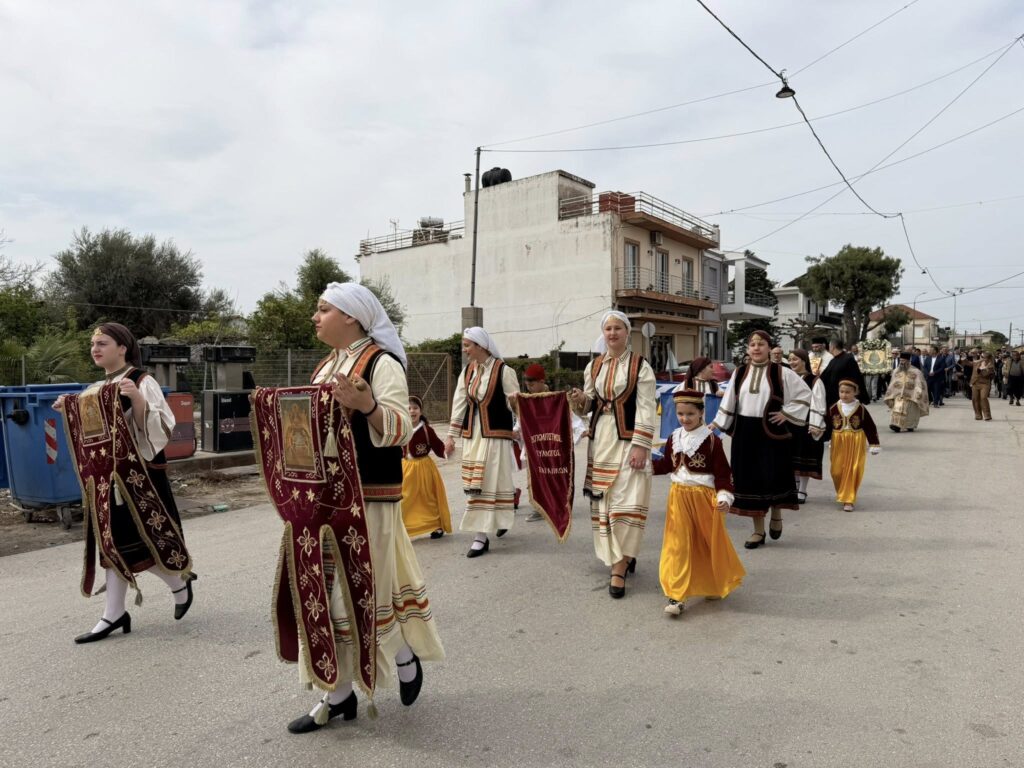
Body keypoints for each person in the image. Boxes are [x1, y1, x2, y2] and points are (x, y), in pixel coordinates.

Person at [288, 282, 444, 734]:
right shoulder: (325, 366)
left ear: (352, 316)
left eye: (323, 310)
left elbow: (400, 429)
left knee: (355, 595)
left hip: (367, 498)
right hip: (321, 499)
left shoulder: (382, 363)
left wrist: (368, 404)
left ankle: (400, 655)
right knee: (322, 592)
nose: (315, 318)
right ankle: (337, 695)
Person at [55, 323, 196, 644]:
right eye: (93, 344)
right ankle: (117, 611)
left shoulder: (140, 381)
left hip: (138, 478)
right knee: (112, 543)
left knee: (138, 540)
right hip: (106, 481)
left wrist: (140, 402)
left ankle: (172, 586)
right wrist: (70, 408)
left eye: (103, 343)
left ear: (123, 348)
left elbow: (163, 429)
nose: (95, 348)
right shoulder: (94, 389)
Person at [568, 311, 656, 598]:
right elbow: (588, 407)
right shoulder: (594, 367)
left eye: (618, 328)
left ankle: (619, 566)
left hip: (630, 441)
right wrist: (580, 401)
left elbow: (645, 407)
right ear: (603, 333)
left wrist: (642, 445)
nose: (612, 333)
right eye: (608, 328)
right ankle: (621, 555)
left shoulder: (640, 367)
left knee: (627, 501)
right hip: (602, 440)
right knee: (605, 501)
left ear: (627, 332)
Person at [712, 330, 811, 549]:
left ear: (769, 348)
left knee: (773, 476)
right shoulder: (739, 372)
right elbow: (729, 402)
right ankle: (758, 531)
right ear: (748, 349)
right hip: (744, 433)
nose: (756, 348)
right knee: (749, 481)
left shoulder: (781, 372)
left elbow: (805, 394)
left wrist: (786, 413)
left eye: (761, 344)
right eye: (752, 344)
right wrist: (716, 424)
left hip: (772, 433)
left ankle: (776, 513)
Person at [652, 388, 744, 616]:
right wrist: (644, 468)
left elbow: (723, 473)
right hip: (678, 497)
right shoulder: (674, 437)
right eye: (681, 414)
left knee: (707, 543)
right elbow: (666, 464)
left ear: (701, 412)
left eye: (690, 414)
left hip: (703, 498)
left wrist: (724, 495)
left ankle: (712, 582)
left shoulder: (712, 441)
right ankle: (676, 595)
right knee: (678, 544)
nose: (684, 419)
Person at [445, 327, 520, 557]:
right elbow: (459, 402)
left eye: (467, 345)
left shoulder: (504, 371)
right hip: (473, 435)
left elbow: (516, 406)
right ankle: (496, 520)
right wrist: (450, 436)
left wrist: (515, 403)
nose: (465, 349)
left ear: (480, 346)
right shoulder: (467, 371)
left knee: (487, 482)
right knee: (474, 482)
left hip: (494, 435)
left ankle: (481, 536)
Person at [401, 396, 452, 539]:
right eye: (409, 408)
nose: (412, 411)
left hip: (424, 468)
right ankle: (402, 527)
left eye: (415, 408)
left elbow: (438, 447)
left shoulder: (427, 430)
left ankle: (436, 526)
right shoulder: (401, 428)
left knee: (428, 498)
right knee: (404, 498)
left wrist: (446, 450)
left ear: (421, 411)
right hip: (405, 468)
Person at [828, 380, 881, 512]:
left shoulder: (861, 409)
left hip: (855, 441)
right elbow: (826, 424)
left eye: (848, 392)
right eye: (842, 392)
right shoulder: (833, 407)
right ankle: (842, 491)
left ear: (855, 393)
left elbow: (870, 427)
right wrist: (819, 433)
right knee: (836, 471)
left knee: (852, 470)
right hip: (838, 441)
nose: (844, 395)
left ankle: (849, 499)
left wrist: (874, 443)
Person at [787, 350, 826, 503]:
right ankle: (794, 487)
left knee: (804, 458)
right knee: (792, 458)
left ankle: (802, 490)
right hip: (789, 423)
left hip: (806, 424)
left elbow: (819, 403)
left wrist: (815, 423)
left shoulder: (814, 380)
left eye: (795, 359)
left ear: (804, 361)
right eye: (790, 360)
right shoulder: (787, 378)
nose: (792, 362)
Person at [884, 352, 929, 432]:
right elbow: (892, 383)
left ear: (908, 361)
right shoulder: (896, 371)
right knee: (897, 410)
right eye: (900, 360)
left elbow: (920, 383)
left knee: (910, 412)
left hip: (912, 395)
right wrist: (891, 393)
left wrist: (918, 392)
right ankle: (896, 425)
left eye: (903, 361)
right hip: (898, 395)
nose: (901, 362)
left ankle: (910, 425)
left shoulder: (916, 372)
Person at [970, 352, 995, 421]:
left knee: (983, 398)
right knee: (975, 399)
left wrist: (983, 368)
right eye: (981, 357)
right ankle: (978, 415)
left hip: (984, 384)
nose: (982, 359)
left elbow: (985, 375)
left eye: (984, 357)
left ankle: (987, 415)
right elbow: (968, 363)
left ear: (989, 359)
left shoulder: (991, 366)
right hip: (975, 383)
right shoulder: (977, 362)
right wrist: (963, 359)